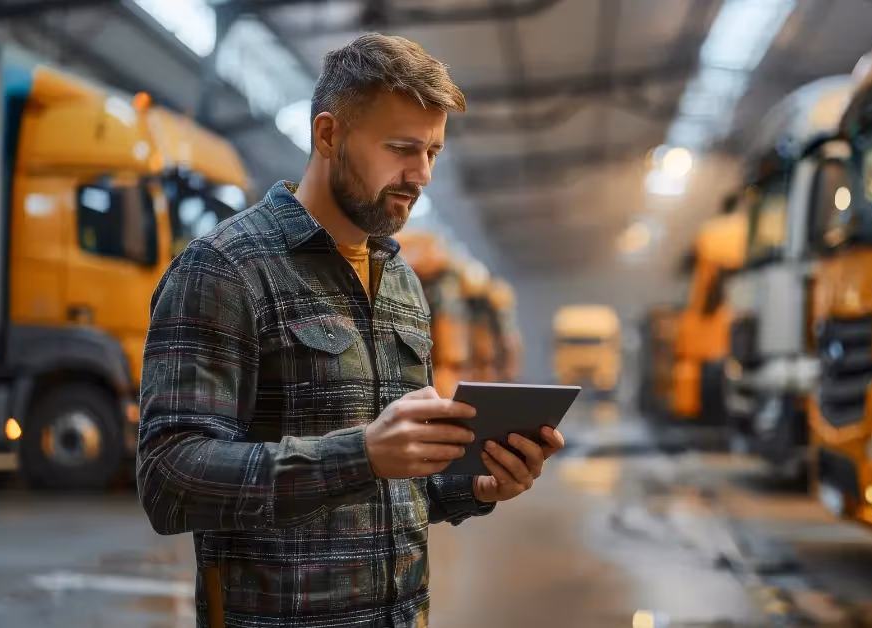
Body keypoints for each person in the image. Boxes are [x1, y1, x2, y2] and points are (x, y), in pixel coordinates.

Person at [135, 33, 565, 628]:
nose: (422, 174)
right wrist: (358, 454)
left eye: (433, 152)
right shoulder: (226, 269)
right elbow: (169, 478)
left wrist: (479, 485)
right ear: (329, 135)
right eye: (401, 148)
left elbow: (403, 483)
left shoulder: (402, 283)